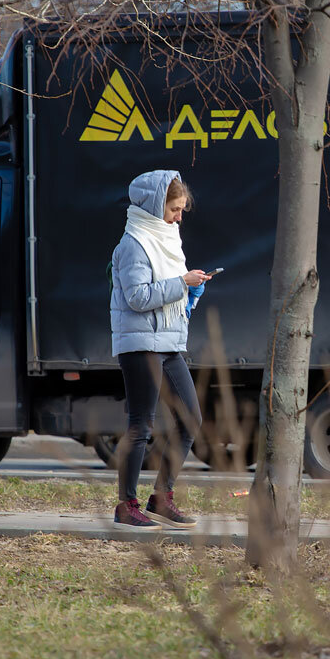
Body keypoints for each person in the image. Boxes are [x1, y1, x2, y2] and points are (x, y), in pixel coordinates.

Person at [110, 170, 212, 530]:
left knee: (191, 418)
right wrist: (180, 283)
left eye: (182, 209)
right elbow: (138, 298)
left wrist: (191, 293)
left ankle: (161, 499)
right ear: (155, 205)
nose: (179, 217)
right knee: (141, 426)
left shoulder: (167, 238)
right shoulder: (134, 243)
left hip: (167, 343)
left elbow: (169, 301)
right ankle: (126, 505)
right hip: (140, 344)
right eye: (174, 209)